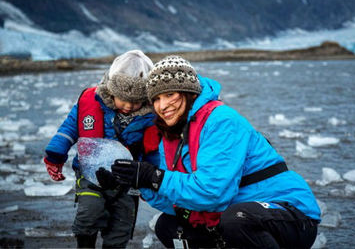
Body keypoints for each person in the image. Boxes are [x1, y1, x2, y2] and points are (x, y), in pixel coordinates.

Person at [100, 55, 321, 248]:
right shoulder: (171, 135)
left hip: (288, 213)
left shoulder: (221, 121)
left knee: (238, 220)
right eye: (156, 98)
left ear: (188, 92)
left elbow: (213, 193)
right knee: (168, 226)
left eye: (169, 95)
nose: (162, 105)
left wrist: (154, 176)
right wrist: (139, 182)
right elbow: (177, 201)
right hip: (229, 212)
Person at [43, 50, 159, 248]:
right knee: (89, 213)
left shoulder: (150, 117)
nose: (130, 105)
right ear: (112, 91)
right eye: (123, 99)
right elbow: (69, 128)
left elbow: (153, 152)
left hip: (126, 181)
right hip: (91, 175)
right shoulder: (90, 101)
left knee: (121, 227)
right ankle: (85, 244)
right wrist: (55, 155)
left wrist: (150, 179)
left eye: (136, 101)